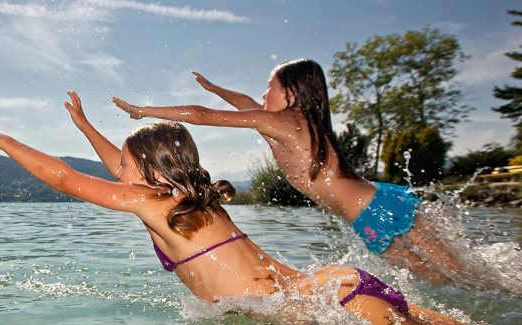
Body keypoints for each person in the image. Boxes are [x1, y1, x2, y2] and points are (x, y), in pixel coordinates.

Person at [0, 91, 522, 325]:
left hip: (328, 307)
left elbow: (63, 178)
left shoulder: (155, 206)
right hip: (336, 288)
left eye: (126, 165)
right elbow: (114, 162)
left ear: (145, 174)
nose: (119, 172)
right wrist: (85, 122)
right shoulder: (194, 199)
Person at [112, 59, 464, 287]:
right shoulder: (294, 124)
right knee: (454, 278)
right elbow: (244, 103)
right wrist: (217, 88)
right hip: (373, 207)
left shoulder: (287, 122)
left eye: (271, 87)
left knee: (449, 280)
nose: (264, 95)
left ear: (290, 93)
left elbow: (205, 115)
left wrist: (143, 111)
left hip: (375, 212)